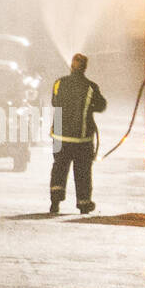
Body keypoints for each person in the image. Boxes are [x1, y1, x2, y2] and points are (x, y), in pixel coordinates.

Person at [49, 53, 107, 215]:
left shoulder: (59, 83)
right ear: (85, 68)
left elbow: (54, 102)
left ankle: (55, 202)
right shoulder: (91, 87)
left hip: (60, 136)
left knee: (59, 168)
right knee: (82, 171)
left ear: (71, 66)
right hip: (82, 138)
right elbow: (101, 106)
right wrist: (89, 107)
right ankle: (83, 204)